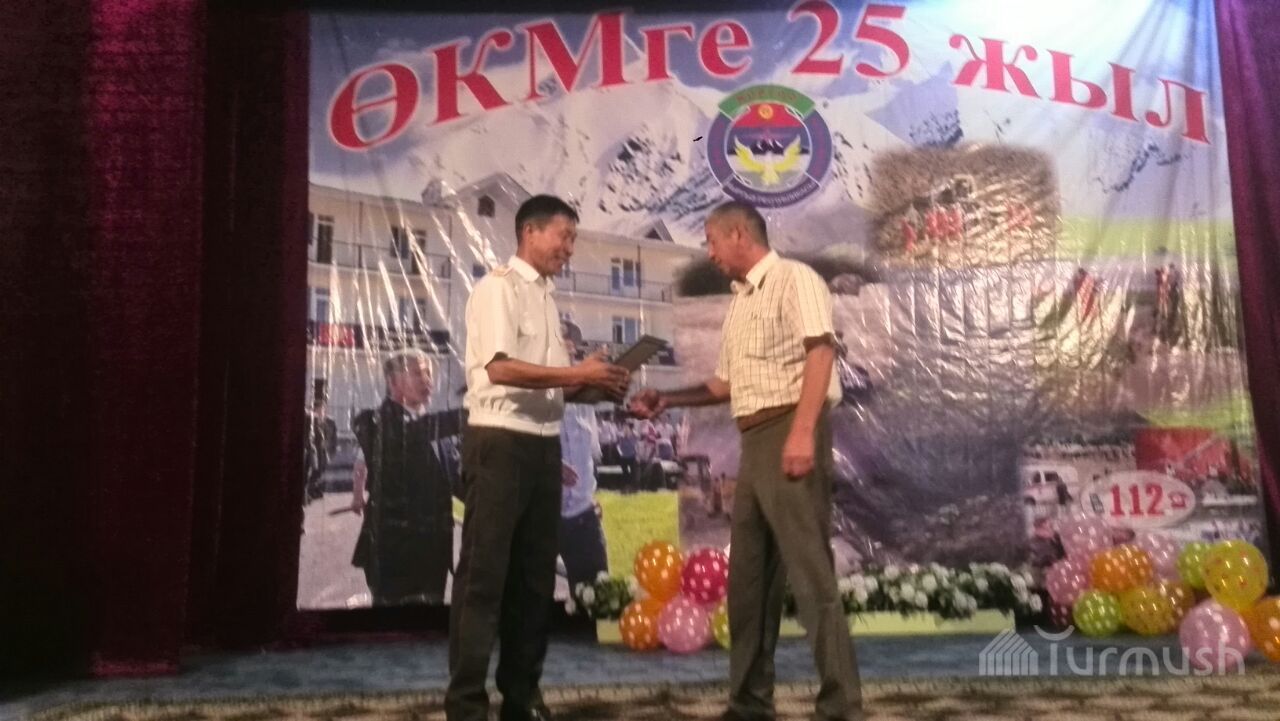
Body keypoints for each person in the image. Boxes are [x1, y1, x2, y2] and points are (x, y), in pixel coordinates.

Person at [631, 201, 863, 721]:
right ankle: (749, 703)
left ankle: (841, 706)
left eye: (712, 241)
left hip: (791, 426)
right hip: (754, 438)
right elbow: (724, 385)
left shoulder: (794, 279)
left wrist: (801, 433)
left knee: (811, 575)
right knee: (749, 581)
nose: (710, 253)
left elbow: (821, 352)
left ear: (739, 234)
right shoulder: (740, 302)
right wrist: (668, 399)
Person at [446, 195, 630, 721]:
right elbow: (499, 369)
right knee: (484, 578)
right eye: (563, 236)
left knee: (533, 581)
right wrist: (577, 374)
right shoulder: (498, 288)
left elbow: (553, 387)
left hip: (543, 445)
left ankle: (521, 697)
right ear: (530, 231)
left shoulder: (546, 297)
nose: (569, 249)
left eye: (572, 239)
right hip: (500, 443)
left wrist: (600, 386)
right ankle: (466, 704)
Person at [349, 349, 463, 605]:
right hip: (393, 554)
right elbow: (403, 436)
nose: (427, 380)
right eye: (417, 373)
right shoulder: (374, 422)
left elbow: (457, 482)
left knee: (427, 624)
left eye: (429, 373)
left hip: (433, 556)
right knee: (392, 624)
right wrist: (476, 413)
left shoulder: (438, 432)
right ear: (392, 382)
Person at [557, 321, 609, 595]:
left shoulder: (585, 398)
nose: (566, 357)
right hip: (541, 517)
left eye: (570, 351)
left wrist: (591, 496)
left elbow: (592, 453)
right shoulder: (529, 394)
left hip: (583, 516)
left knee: (595, 597)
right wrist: (548, 465)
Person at [303, 395, 338, 504]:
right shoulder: (310, 420)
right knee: (312, 471)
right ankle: (308, 491)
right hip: (313, 451)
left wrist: (332, 450)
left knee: (319, 471)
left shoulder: (330, 422)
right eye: (318, 409)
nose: (321, 411)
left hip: (323, 452)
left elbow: (333, 438)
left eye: (322, 409)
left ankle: (311, 489)